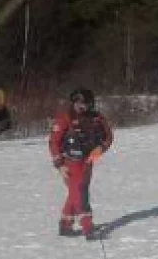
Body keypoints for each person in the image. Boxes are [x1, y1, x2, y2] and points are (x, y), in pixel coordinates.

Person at [49, 88, 114, 239]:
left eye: (84, 104)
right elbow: (54, 142)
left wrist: (100, 149)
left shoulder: (97, 118)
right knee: (80, 192)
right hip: (69, 162)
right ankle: (87, 226)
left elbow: (108, 137)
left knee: (75, 192)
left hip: (87, 161)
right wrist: (59, 164)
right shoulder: (65, 118)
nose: (80, 107)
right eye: (77, 103)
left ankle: (65, 224)